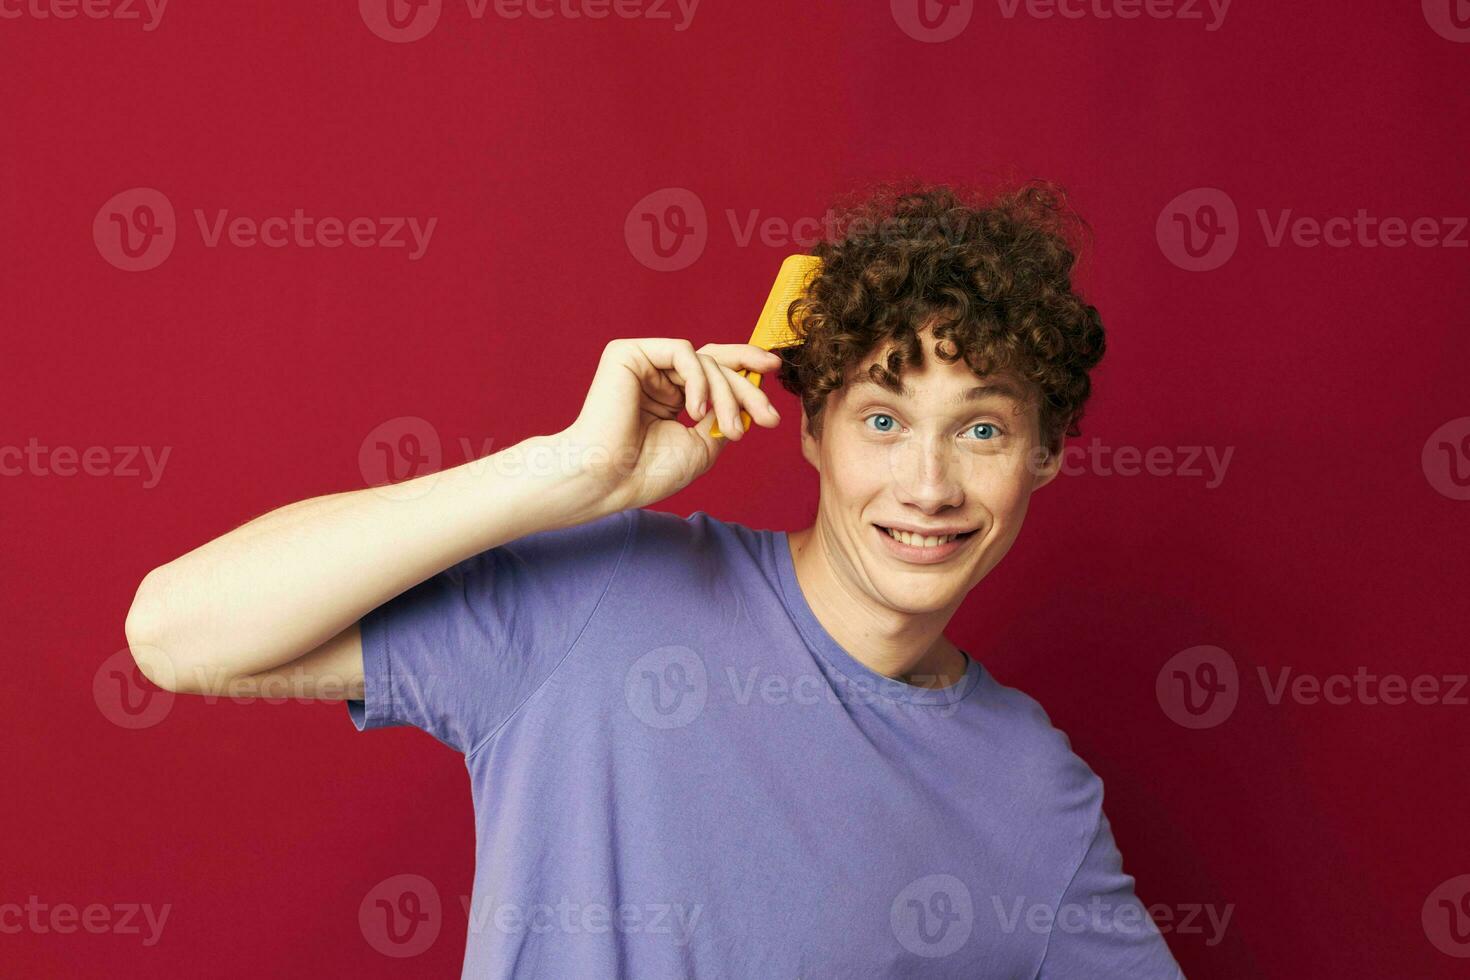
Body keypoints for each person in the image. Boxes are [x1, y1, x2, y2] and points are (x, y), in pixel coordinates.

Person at [125, 181, 1185, 978]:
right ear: (812, 428)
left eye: (984, 427)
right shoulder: (610, 591)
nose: (928, 481)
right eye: (882, 418)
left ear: (1044, 453)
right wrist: (567, 473)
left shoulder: (1032, 791)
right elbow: (175, 632)